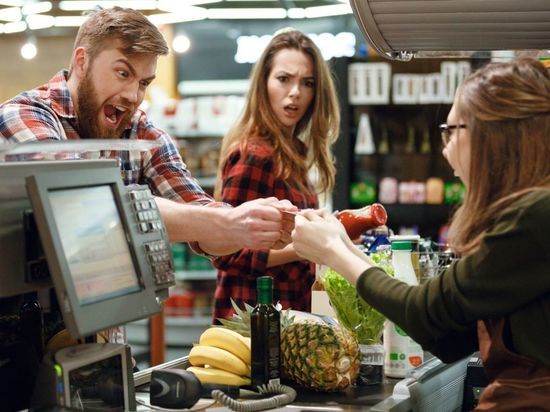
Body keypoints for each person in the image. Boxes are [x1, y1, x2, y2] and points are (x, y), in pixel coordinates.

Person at [292, 58, 550, 408]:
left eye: (452, 130)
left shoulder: (535, 217)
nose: (445, 149)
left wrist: (334, 253)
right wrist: (340, 245)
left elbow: (424, 310)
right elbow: (447, 336)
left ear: (493, 137)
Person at [0, 7, 295, 257]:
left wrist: (251, 225)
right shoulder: (24, 115)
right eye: (123, 73)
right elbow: (84, 202)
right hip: (26, 321)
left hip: (106, 319)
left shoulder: (140, 132)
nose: (133, 95)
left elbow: (200, 217)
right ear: (82, 62)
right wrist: (228, 220)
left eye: (144, 83)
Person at [211, 28, 340, 321]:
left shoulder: (291, 153)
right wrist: (306, 247)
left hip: (286, 318)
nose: (295, 92)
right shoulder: (256, 155)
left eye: (307, 83)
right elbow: (225, 253)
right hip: (254, 325)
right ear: (264, 84)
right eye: (284, 79)